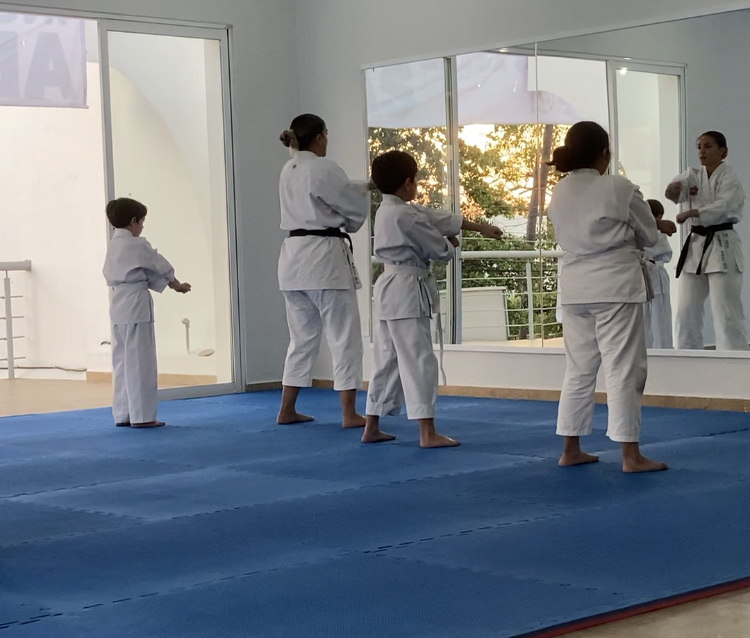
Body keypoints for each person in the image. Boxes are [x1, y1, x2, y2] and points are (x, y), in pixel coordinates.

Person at [546, 121, 676, 473]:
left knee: (578, 369)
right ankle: (631, 456)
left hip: (575, 288)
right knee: (623, 369)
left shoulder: (559, 191)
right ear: (604, 153)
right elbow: (649, 236)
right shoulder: (619, 187)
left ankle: (570, 448)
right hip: (615, 285)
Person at [361, 150, 503, 448]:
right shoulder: (404, 215)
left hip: (389, 289)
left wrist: (479, 228)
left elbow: (432, 216)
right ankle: (427, 432)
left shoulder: (388, 209)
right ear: (407, 183)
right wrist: (450, 243)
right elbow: (439, 249)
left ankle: (371, 425)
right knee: (419, 360)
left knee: (387, 359)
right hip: (407, 291)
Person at [277, 113, 370, 427]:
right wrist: (360, 203)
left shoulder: (289, 169)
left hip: (292, 261)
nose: (327, 139)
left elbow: (326, 193)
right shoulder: (324, 167)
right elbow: (348, 205)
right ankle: (349, 413)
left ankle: (287, 409)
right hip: (324, 260)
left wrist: (364, 186)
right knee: (344, 338)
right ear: (319, 137)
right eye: (326, 134)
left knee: (301, 339)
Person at [102, 197, 191, 428]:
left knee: (122, 361)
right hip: (136, 304)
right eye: (142, 221)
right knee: (141, 360)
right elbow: (158, 264)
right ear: (133, 221)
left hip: (118, 304)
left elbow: (144, 269)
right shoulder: (137, 245)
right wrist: (175, 284)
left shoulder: (113, 245)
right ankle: (143, 416)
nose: (142, 227)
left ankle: (123, 413)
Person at [665, 131, 748, 351]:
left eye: (708, 146)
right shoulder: (692, 175)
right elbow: (676, 191)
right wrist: (673, 191)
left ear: (723, 151)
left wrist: (694, 213)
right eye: (699, 147)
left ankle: (733, 360)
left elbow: (726, 205)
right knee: (686, 309)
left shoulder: (730, 178)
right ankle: (688, 355)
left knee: (726, 309)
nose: (702, 151)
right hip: (696, 244)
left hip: (722, 243)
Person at [643, 199, 673, 349]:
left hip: (652, 274)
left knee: (654, 316)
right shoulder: (657, 235)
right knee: (658, 316)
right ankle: (659, 349)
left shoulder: (656, 235)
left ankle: (659, 348)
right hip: (650, 274)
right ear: (659, 216)